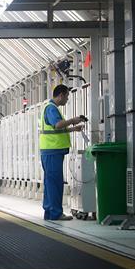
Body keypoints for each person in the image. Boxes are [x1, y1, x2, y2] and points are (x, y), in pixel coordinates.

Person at [39, 85, 87, 221]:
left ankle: (49, 212)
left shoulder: (50, 108)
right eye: (66, 96)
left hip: (50, 151)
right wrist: (73, 120)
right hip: (52, 150)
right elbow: (58, 125)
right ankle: (55, 213)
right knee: (55, 183)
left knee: (50, 183)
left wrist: (74, 129)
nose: (67, 99)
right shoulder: (51, 109)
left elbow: (56, 129)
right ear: (60, 95)